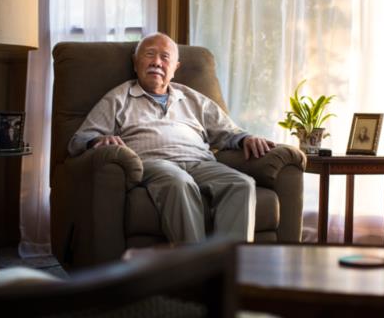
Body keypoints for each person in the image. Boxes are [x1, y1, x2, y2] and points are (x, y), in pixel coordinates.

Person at [67, 33, 275, 244]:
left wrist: (246, 138)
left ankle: (230, 266)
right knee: (179, 182)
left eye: (165, 57)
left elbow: (228, 131)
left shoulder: (193, 98)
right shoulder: (118, 98)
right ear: (135, 62)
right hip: (153, 163)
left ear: (175, 67)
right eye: (149, 54)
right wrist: (97, 141)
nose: (157, 62)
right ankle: (194, 269)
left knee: (241, 183)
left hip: (200, 163)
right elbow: (80, 139)